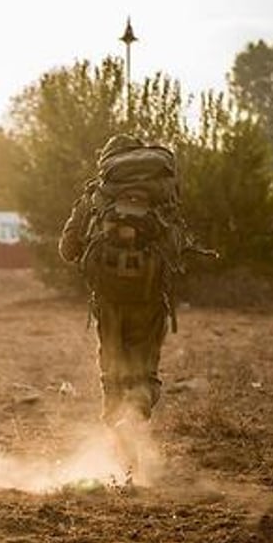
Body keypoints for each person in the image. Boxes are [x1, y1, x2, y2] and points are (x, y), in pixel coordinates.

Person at [58, 134, 185, 438]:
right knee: (145, 371)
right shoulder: (162, 196)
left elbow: (67, 249)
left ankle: (116, 432)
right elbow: (176, 247)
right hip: (150, 299)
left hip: (108, 300)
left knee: (112, 372)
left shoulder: (97, 196)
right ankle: (137, 410)